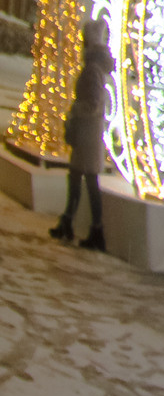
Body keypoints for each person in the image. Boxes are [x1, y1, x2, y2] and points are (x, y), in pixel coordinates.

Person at [50, 17, 111, 250]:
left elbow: (93, 104)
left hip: (87, 135)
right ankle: (72, 223)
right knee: (79, 179)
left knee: (85, 180)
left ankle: (93, 230)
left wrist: (75, 109)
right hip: (87, 136)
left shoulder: (92, 71)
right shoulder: (94, 69)